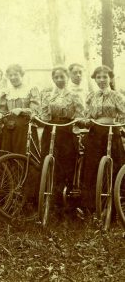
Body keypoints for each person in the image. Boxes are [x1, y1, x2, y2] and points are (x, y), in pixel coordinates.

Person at [81, 65, 125, 212]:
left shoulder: (117, 96)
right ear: (95, 79)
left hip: (112, 132)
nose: (101, 80)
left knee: (113, 167)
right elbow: (87, 115)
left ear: (110, 78)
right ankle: (92, 207)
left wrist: (119, 122)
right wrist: (86, 120)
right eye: (98, 77)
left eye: (104, 77)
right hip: (95, 133)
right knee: (92, 168)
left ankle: (113, 207)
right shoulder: (91, 96)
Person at [40, 66, 84, 208]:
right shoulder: (48, 94)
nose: (59, 80)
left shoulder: (74, 94)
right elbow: (45, 115)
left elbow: (80, 112)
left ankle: (68, 200)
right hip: (51, 129)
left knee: (67, 163)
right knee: (49, 161)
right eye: (56, 77)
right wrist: (38, 118)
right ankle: (50, 199)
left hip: (66, 129)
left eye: (62, 77)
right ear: (53, 79)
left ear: (67, 77)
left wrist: (76, 120)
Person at [0, 64, 40, 155]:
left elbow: (35, 110)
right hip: (9, 127)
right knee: (7, 155)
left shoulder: (31, 89)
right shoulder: (6, 91)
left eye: (16, 74)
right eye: (10, 75)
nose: (13, 77)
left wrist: (22, 110)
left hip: (25, 127)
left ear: (21, 75)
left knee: (22, 154)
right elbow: (2, 109)